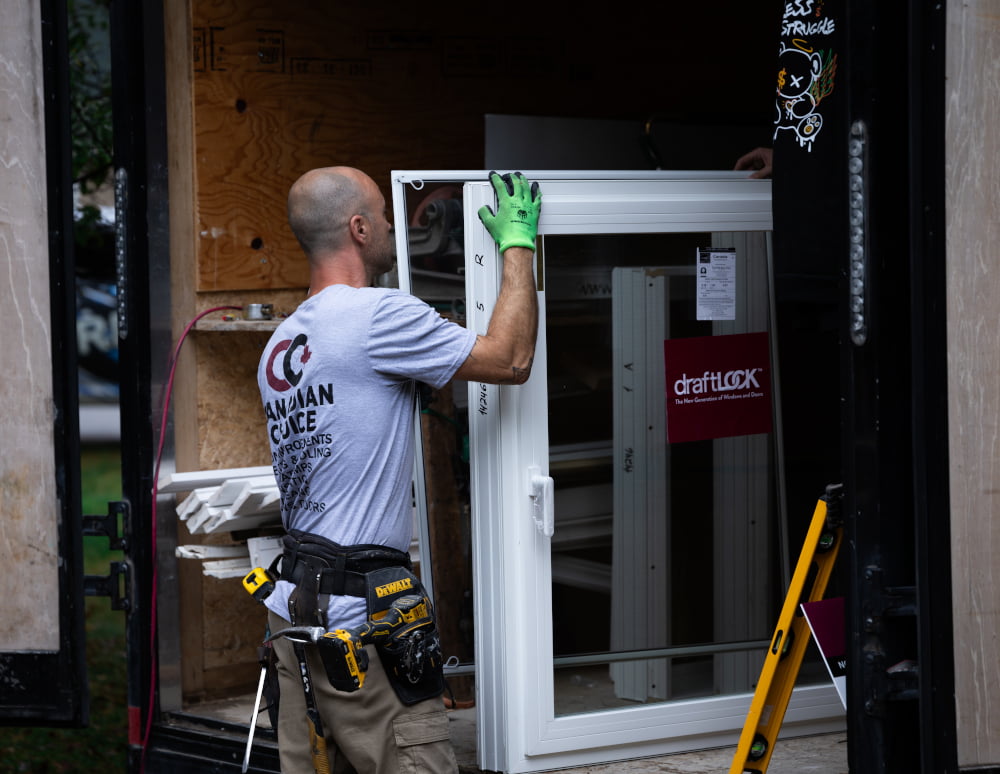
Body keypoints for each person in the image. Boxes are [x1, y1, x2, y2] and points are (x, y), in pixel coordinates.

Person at [256, 166, 541, 773]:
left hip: (296, 616)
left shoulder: (282, 345)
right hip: (363, 630)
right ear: (359, 229)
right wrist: (519, 247)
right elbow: (512, 360)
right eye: (385, 215)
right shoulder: (378, 315)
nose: (393, 226)